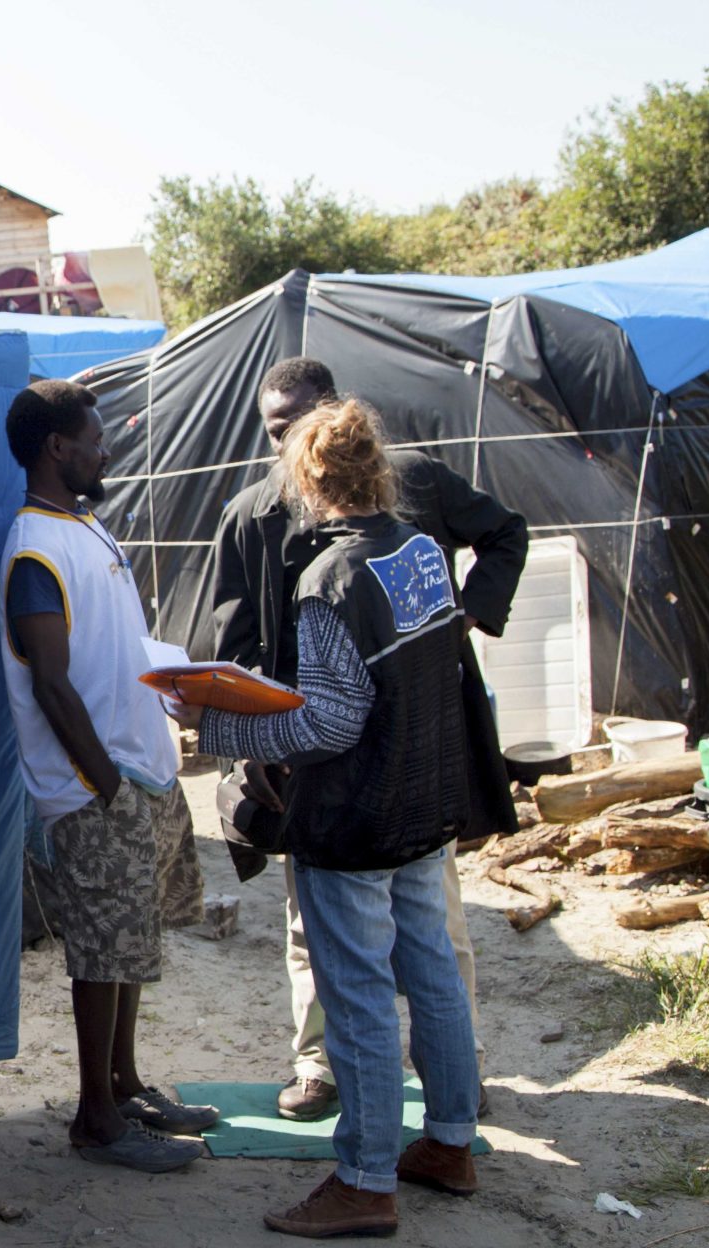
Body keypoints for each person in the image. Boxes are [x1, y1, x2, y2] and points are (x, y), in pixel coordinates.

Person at [179, 398, 482, 1237]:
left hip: (356, 820)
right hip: (426, 800)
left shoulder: (329, 579)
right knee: (432, 976)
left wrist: (223, 726)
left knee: (356, 1001)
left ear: (307, 481)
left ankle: (365, 1179)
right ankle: (451, 1141)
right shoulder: (419, 551)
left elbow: (329, 722)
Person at [210, 357, 526, 1122]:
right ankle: (346, 1077)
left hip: (383, 757)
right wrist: (259, 739)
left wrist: (215, 723)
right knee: (323, 939)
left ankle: (377, 1160)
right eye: (274, 434)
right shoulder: (254, 516)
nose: (288, 447)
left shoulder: (349, 559)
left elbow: (332, 714)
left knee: (408, 950)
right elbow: (237, 640)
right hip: (334, 767)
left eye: (300, 432)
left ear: (337, 426)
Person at [0, 379, 214, 1173]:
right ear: (57, 448)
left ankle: (124, 1086)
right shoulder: (34, 549)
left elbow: (112, 653)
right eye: (94, 438)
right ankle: (96, 1117)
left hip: (138, 769)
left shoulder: (84, 528)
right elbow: (51, 681)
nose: (105, 450)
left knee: (131, 942)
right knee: (99, 950)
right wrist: (104, 782)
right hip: (97, 787)